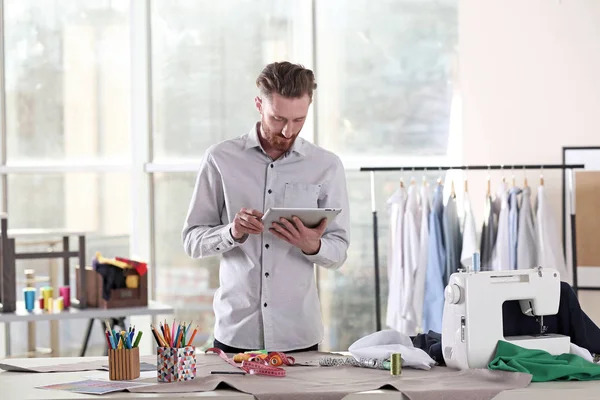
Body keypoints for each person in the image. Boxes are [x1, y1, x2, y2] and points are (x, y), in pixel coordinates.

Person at [182, 61, 350, 354]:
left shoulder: (326, 166)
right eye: (278, 118)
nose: (288, 131)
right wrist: (231, 232)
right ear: (259, 104)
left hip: (299, 335)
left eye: (299, 120)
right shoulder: (220, 159)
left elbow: (339, 252)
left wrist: (313, 245)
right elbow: (192, 241)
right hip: (236, 334)